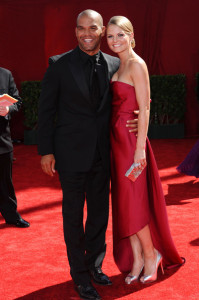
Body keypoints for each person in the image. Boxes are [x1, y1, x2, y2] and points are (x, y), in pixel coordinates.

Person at [38, 9, 137, 300]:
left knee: (98, 215)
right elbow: (46, 112)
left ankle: (94, 266)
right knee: (72, 216)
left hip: (103, 154)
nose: (86, 33)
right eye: (81, 28)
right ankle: (79, 276)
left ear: (101, 29)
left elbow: (128, 99)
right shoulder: (58, 65)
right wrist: (46, 151)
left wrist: (137, 115)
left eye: (92, 28)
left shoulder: (113, 63)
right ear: (75, 31)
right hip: (69, 155)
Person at [106, 16, 184, 285]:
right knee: (125, 204)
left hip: (130, 143)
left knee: (134, 202)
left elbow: (145, 106)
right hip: (116, 143)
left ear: (131, 35)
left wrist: (140, 149)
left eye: (120, 35)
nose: (115, 41)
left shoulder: (137, 64)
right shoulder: (118, 64)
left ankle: (152, 256)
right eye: (110, 36)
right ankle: (137, 258)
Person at [0, 67, 30, 228]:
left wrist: (7, 109)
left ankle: (11, 216)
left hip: (2, 140)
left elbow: (17, 101)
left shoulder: (5, 74)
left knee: (5, 182)